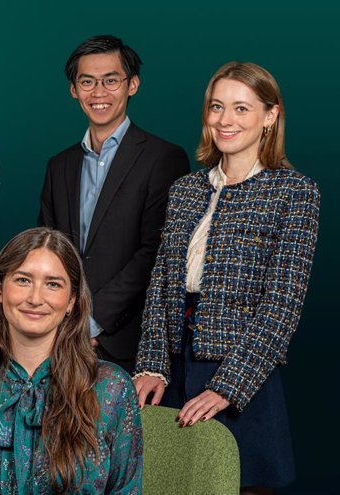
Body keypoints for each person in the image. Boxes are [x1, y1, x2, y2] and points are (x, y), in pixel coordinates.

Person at [133, 62, 320, 493]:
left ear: (270, 115)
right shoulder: (185, 190)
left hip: (243, 377)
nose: (225, 120)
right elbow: (161, 286)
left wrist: (228, 388)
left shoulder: (295, 192)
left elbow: (282, 305)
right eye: (217, 107)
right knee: (168, 482)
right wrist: (152, 367)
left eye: (241, 108)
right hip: (174, 372)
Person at [0, 227, 142, 494]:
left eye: (53, 284)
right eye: (23, 280)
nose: (35, 298)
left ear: (72, 302)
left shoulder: (111, 389)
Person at [39, 35, 190, 373]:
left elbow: (157, 251)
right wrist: (60, 318)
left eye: (111, 80)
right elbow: (47, 250)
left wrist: (90, 321)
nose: (99, 93)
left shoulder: (163, 158)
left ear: (132, 85)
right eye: (87, 82)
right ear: (73, 90)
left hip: (128, 341)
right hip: (59, 338)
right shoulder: (59, 165)